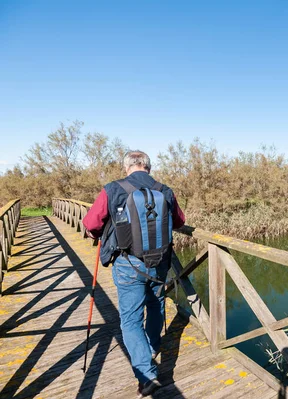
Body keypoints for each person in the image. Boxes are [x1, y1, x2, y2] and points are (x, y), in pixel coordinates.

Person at [83, 150, 185, 397]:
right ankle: (151, 347)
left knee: (130, 319)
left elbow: (91, 224)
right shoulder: (165, 190)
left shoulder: (112, 189)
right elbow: (180, 221)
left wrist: (93, 234)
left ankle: (146, 374)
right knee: (156, 305)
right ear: (148, 167)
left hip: (127, 264)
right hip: (159, 261)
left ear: (127, 166)